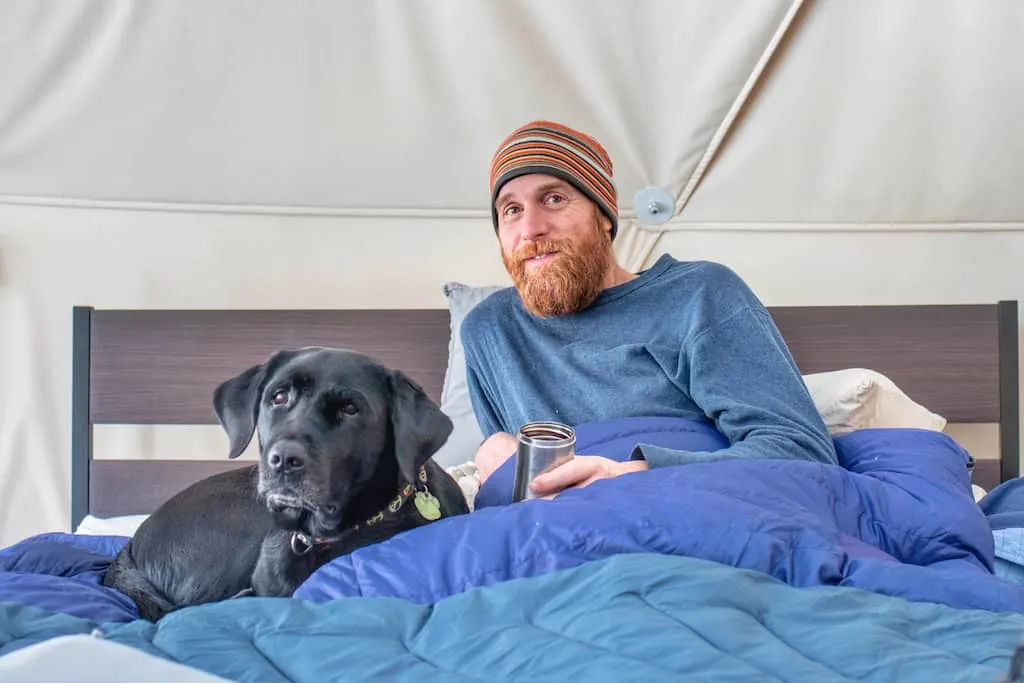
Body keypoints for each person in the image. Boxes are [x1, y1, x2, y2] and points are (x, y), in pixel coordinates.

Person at [460, 119, 837, 500]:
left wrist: (631, 477)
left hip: (689, 519)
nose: (531, 229)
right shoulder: (491, 330)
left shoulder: (698, 294)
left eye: (554, 199)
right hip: (564, 539)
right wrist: (493, 455)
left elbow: (802, 455)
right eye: (510, 210)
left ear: (604, 217)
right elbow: (519, 497)